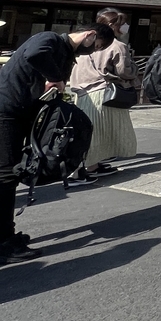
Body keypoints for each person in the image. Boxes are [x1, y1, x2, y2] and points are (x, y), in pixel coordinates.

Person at [0, 23, 113, 263]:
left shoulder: (66, 53)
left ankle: (6, 236)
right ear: (90, 35)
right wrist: (56, 78)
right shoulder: (49, 38)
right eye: (96, 46)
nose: (91, 51)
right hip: (6, 109)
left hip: (20, 111)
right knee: (6, 175)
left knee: (11, 172)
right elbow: (34, 54)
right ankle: (4, 242)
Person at [68, 8, 138, 184]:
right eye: (122, 24)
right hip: (104, 93)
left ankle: (92, 166)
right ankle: (76, 171)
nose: (125, 27)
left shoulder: (83, 43)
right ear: (113, 25)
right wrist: (135, 69)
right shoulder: (117, 46)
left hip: (81, 91)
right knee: (99, 133)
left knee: (89, 131)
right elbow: (125, 72)